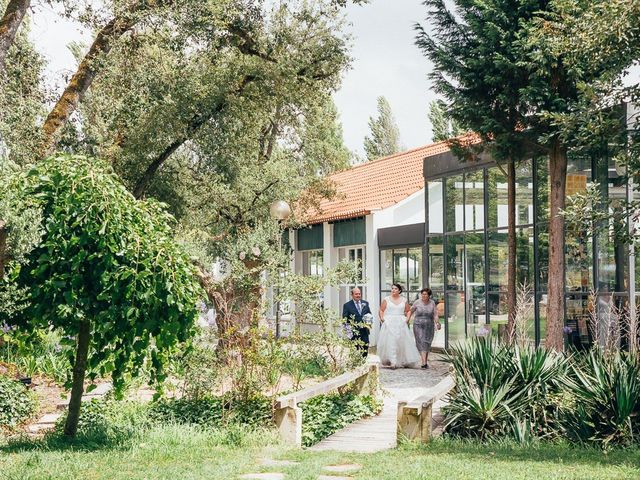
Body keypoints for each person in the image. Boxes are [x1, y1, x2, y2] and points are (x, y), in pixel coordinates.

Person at [377, 283, 420, 369]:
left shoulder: (404, 300)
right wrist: (382, 319)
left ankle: (401, 359)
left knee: (401, 341)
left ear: (399, 291)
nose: (393, 290)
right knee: (391, 341)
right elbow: (381, 310)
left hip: (400, 322)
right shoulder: (386, 299)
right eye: (392, 288)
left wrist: (407, 319)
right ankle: (393, 361)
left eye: (395, 289)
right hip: (389, 322)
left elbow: (408, 311)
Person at [408, 287, 441, 369]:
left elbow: (435, 314)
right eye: (422, 294)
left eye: (425, 294)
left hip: (429, 325)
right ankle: (424, 362)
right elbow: (410, 311)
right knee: (421, 341)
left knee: (427, 342)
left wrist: (437, 322)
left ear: (429, 295)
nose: (423, 295)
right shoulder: (417, 302)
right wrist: (407, 320)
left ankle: (425, 361)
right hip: (418, 324)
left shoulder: (432, 303)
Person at [342, 287, 371, 357]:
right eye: (356, 294)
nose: (358, 295)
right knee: (354, 349)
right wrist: (349, 332)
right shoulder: (347, 305)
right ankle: (355, 364)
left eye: (359, 294)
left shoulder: (365, 303)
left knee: (365, 348)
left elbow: (369, 314)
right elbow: (345, 319)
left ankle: (363, 362)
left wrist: (368, 325)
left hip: (364, 331)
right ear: (352, 295)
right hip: (354, 331)